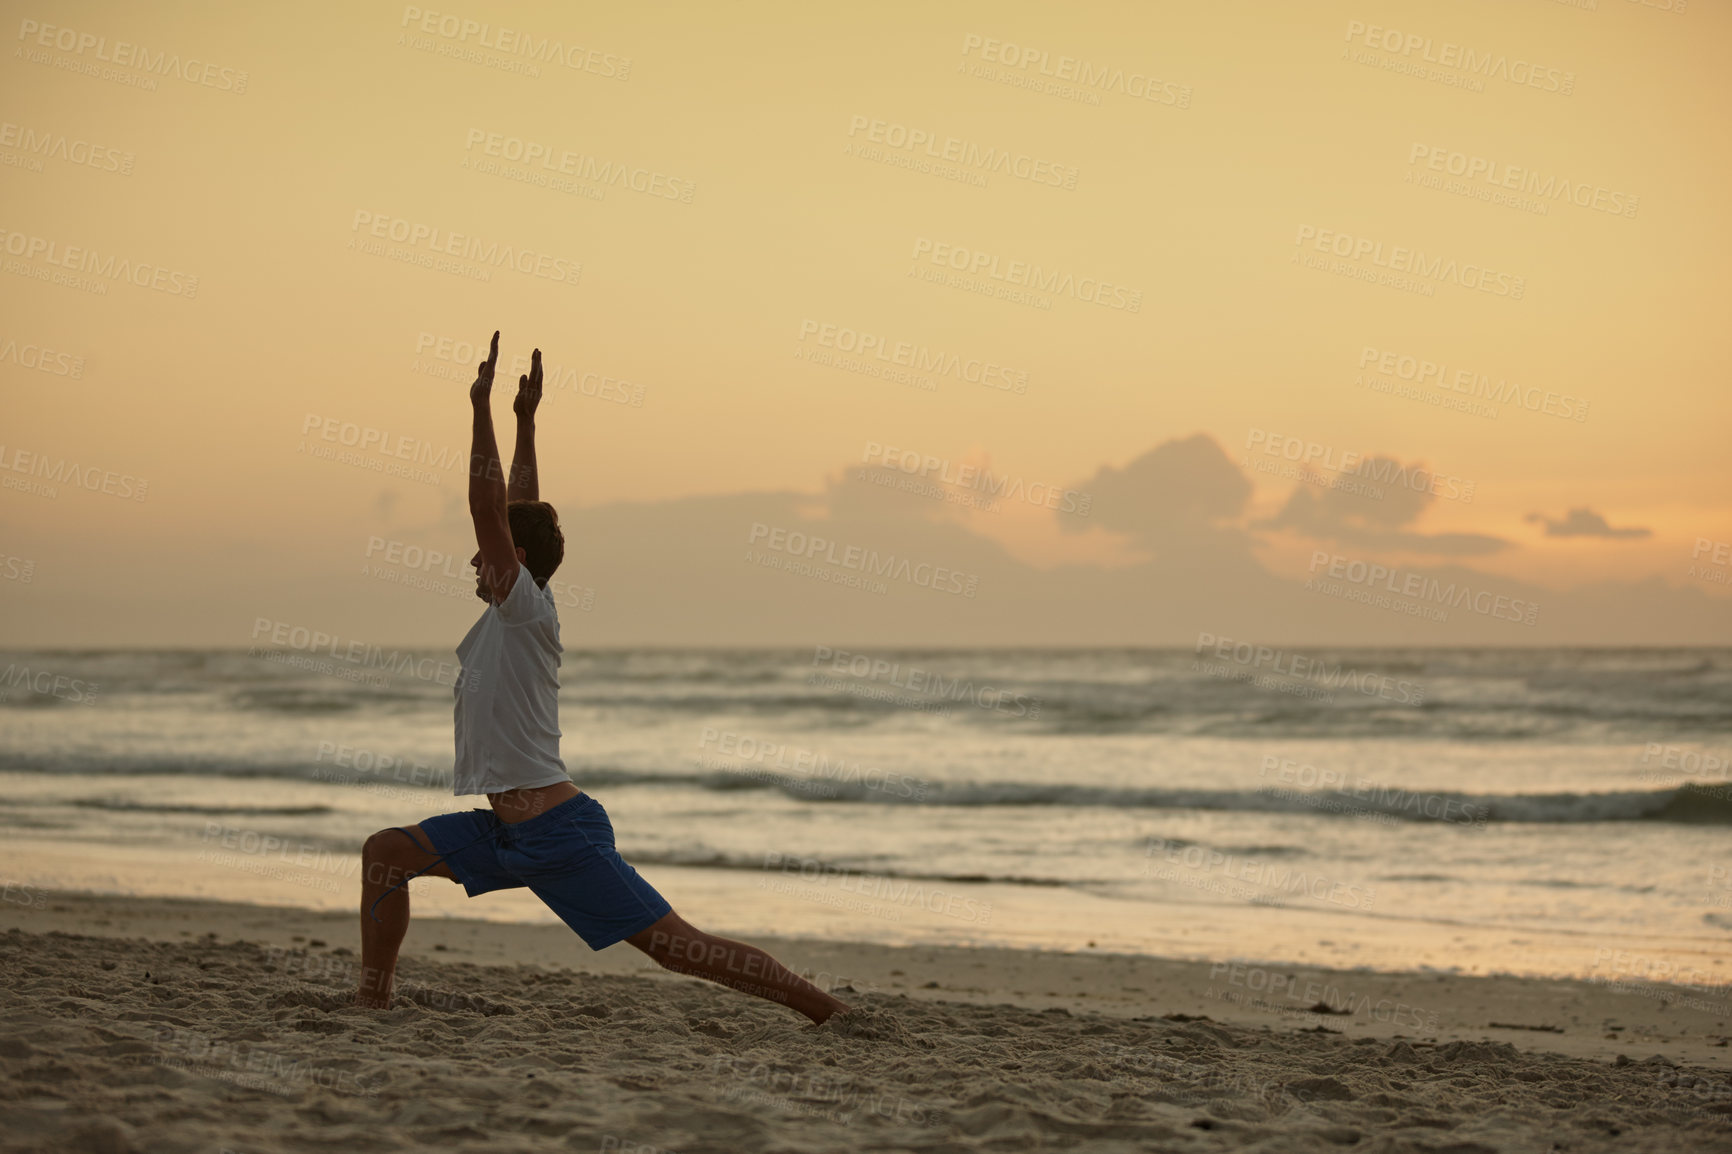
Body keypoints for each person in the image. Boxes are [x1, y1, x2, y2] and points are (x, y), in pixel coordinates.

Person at [351, 331, 850, 1026]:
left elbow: (490, 511)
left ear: (513, 560)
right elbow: (516, 508)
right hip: (504, 831)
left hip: (559, 833)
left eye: (485, 555)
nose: (471, 562)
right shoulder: (515, 609)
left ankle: (830, 1012)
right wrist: (527, 424)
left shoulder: (523, 608)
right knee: (385, 854)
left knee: (681, 950)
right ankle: (372, 1001)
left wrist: (480, 408)